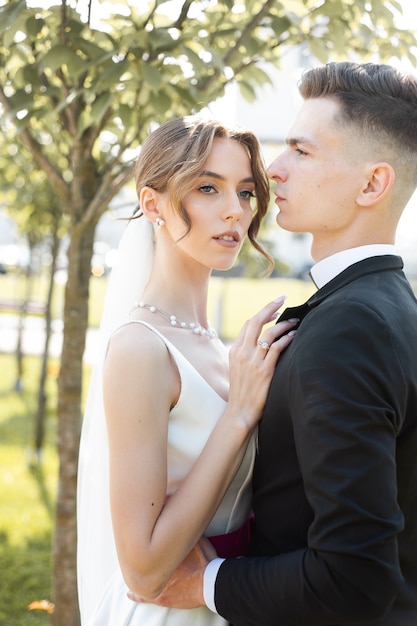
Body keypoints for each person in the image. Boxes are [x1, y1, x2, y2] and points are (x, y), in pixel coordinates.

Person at [134, 62, 417, 625]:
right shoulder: (393, 307)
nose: (274, 171)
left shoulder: (351, 328)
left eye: (301, 151)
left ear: (372, 184)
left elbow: (354, 577)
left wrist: (205, 583)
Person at [76, 115, 298, 626]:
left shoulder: (215, 347)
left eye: (245, 193)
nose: (234, 212)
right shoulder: (140, 348)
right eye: (206, 188)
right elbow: (144, 570)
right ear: (152, 204)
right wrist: (239, 414)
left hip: (224, 602)